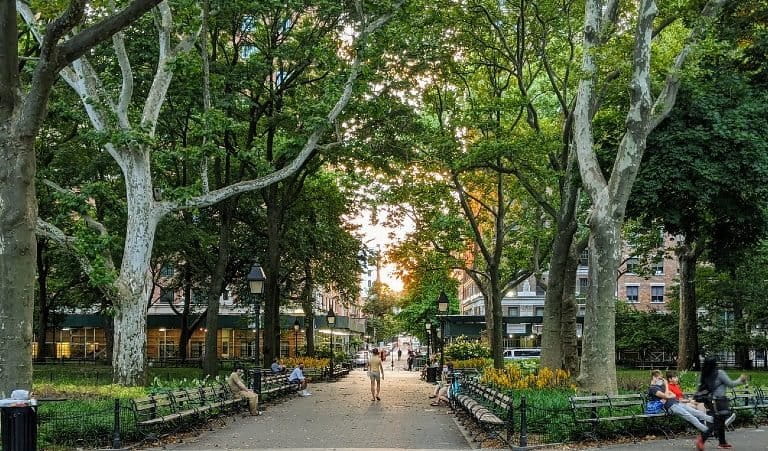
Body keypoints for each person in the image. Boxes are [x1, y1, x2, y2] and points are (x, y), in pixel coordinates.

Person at [696, 357, 748, 450]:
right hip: (719, 401)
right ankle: (702, 439)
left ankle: (722, 442)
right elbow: (731, 384)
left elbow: (699, 388)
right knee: (718, 421)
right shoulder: (720, 373)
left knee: (719, 420)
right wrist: (741, 379)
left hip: (708, 401)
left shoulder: (703, 374)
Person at [648, 370, 713, 439]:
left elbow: (673, 395)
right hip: (670, 407)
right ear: (654, 378)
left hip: (677, 403)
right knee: (691, 417)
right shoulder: (653, 389)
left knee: (698, 413)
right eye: (659, 378)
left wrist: (667, 395)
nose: (661, 380)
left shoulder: (660, 386)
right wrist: (666, 387)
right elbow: (667, 396)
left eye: (661, 378)